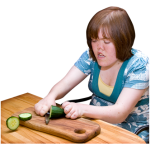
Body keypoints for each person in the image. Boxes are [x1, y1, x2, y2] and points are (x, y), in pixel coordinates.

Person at [34, 6, 150, 143]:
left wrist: (82, 109)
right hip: (95, 122)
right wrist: (50, 96)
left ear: (123, 41)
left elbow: (120, 113)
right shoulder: (89, 55)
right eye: (94, 40)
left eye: (106, 41)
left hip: (132, 131)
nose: (98, 48)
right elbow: (64, 83)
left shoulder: (140, 64)